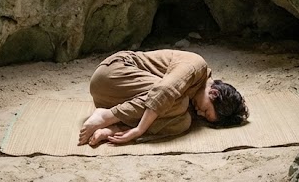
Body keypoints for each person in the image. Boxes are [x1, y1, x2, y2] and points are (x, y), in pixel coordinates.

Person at [77, 49, 248, 146]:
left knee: (183, 122)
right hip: (112, 74)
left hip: (112, 98)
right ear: (214, 93)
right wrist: (139, 130)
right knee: (177, 102)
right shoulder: (196, 66)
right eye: (205, 110)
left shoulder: (194, 96)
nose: (200, 114)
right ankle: (106, 116)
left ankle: (115, 128)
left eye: (204, 117)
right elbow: (164, 90)